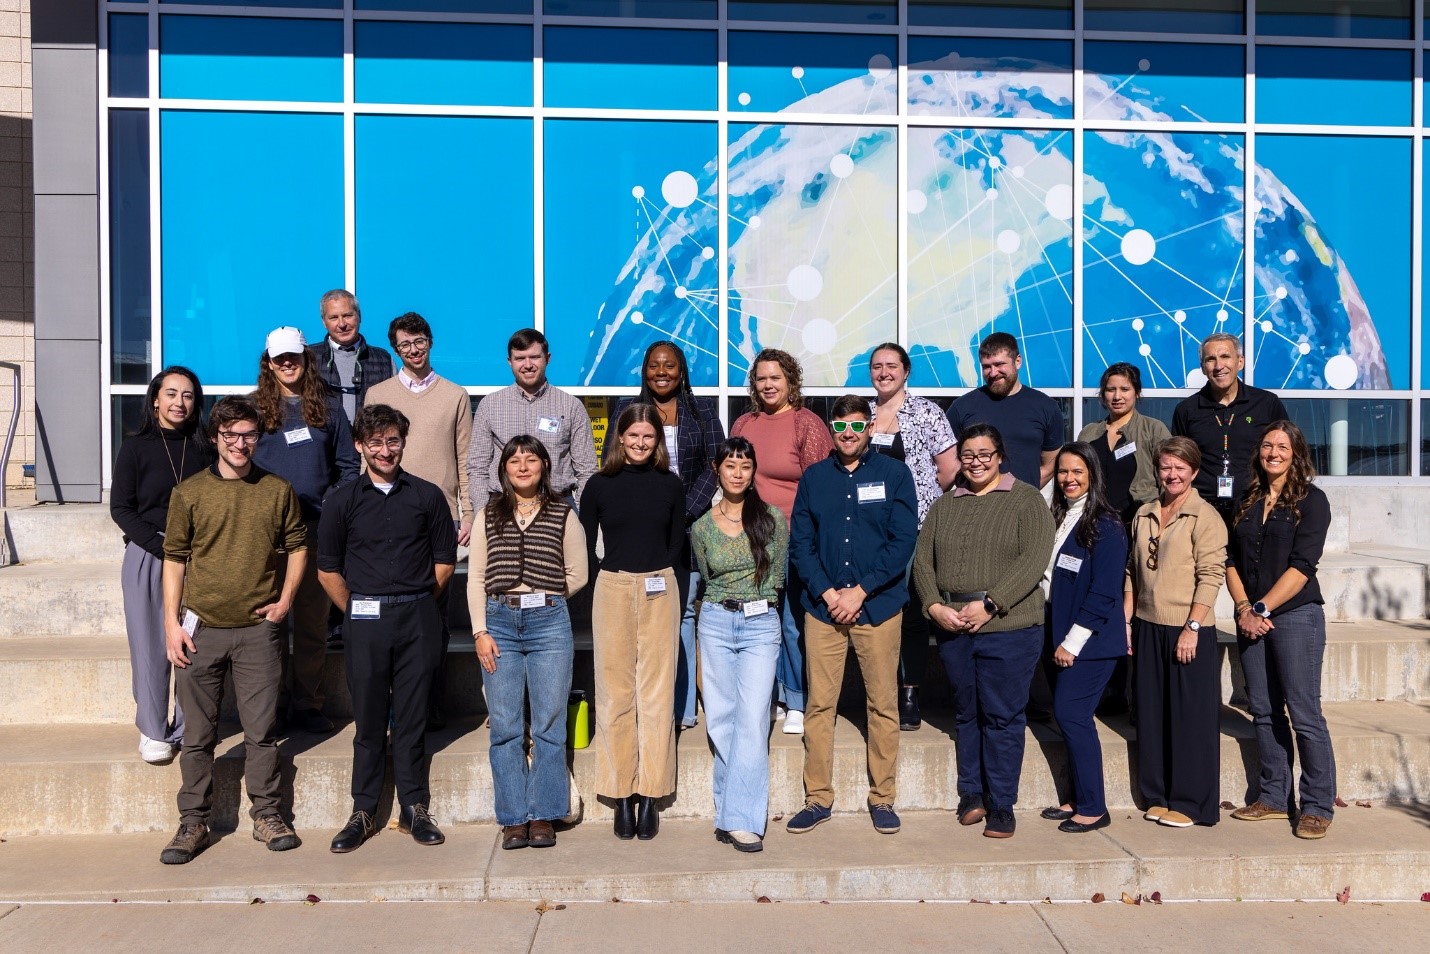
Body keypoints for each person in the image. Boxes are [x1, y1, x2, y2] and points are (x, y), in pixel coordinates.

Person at [158, 396, 307, 865]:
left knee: (261, 732)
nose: (240, 444)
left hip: (258, 631)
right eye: (231, 435)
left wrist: (285, 600)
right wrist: (170, 624)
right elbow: (175, 559)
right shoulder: (189, 492)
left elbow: (298, 547)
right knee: (199, 735)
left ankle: (267, 814)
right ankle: (192, 823)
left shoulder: (277, 490)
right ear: (215, 437)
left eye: (248, 435)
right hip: (200, 629)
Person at [317, 404, 458, 853]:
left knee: (414, 718)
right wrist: (360, 608)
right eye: (375, 442)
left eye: (392, 441)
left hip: (417, 614)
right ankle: (363, 810)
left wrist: (413, 603)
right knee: (370, 721)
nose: (384, 450)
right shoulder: (341, 501)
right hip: (365, 619)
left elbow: (444, 562)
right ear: (359, 446)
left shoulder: (427, 496)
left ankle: (414, 807)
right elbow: (328, 571)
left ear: (403, 442)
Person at [912, 423, 1055, 839]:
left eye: (984, 455)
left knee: (1003, 717)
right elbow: (924, 562)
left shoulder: (1026, 500)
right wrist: (934, 605)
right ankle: (971, 794)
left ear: (1000, 456)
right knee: (967, 713)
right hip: (955, 626)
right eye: (968, 455)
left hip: (1008, 626)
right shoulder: (944, 505)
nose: (975, 463)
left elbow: (1034, 559)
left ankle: (1002, 805)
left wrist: (992, 604)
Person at [785, 395, 918, 837]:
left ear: (869, 429)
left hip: (877, 607)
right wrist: (828, 592)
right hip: (823, 610)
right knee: (819, 705)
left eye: (856, 428)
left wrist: (860, 591)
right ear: (831, 429)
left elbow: (901, 543)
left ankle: (883, 798)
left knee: (882, 704)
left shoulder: (895, 475)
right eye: (839, 428)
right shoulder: (814, 478)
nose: (847, 436)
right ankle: (818, 798)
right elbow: (800, 544)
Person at [470, 436, 588, 851]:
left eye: (531, 458)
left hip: (549, 625)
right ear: (504, 468)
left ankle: (544, 813)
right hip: (498, 622)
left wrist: (547, 600)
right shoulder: (489, 514)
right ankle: (513, 817)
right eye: (514, 459)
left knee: (549, 725)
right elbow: (476, 578)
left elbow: (578, 573)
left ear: (544, 465)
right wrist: (480, 631)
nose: (522, 466)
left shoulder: (562, 513)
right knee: (504, 727)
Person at [579, 403, 685, 841]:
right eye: (634, 436)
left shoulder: (671, 485)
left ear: (657, 440)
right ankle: (621, 792)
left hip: (660, 587)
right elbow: (585, 545)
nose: (641, 444)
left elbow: (678, 545)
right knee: (616, 693)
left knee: (657, 696)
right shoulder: (599, 485)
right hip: (613, 587)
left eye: (649, 437)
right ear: (619, 438)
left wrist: (668, 585)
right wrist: (598, 588)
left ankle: (651, 794)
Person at [1226, 421, 1336, 840]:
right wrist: (1243, 608)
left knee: (1304, 714)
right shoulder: (1247, 497)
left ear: (1297, 453)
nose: (1273, 452)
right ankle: (1273, 797)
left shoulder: (1312, 500)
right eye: (1268, 445)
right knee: (1264, 710)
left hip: (1295, 616)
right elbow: (1230, 559)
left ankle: (1317, 805)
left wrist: (1261, 607)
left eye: (1282, 446)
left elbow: (1303, 566)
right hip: (1250, 616)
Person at [366, 312, 475, 728]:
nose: (413, 350)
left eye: (419, 342)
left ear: (431, 342)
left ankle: (428, 706)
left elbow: (467, 460)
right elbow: (368, 456)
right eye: (405, 345)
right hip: (388, 522)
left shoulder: (455, 395)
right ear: (396, 350)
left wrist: (468, 513)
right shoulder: (378, 393)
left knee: (433, 618)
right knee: (391, 617)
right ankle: (394, 706)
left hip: (440, 521)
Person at [252, 326, 360, 735]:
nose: (287, 363)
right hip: (266, 535)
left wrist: (331, 503)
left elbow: (348, 468)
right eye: (279, 357)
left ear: (304, 357)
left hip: (314, 529)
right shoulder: (255, 410)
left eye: (293, 356)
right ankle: (272, 704)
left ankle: (307, 704)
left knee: (313, 624)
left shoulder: (330, 408)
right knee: (270, 623)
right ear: (268, 362)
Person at [614, 341, 725, 730]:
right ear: (645, 370)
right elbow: (617, 461)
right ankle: (646, 704)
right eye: (655, 366)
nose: (662, 372)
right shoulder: (627, 410)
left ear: (682, 371)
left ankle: (682, 709)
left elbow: (717, 466)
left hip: (691, 526)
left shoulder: (704, 410)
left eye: (670, 366)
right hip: (642, 527)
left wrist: (685, 511)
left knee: (684, 612)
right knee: (644, 615)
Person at [111, 366, 215, 764]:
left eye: (187, 395)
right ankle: (154, 731)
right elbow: (120, 507)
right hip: (149, 555)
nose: (179, 402)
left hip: (198, 558)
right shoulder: (136, 446)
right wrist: (159, 544)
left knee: (194, 644)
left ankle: (188, 729)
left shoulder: (205, 447)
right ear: (155, 399)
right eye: (171, 394)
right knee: (151, 645)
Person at [729, 348, 834, 735]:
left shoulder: (806, 424)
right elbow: (733, 475)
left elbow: (821, 487)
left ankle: (796, 701)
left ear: (791, 380)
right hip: (752, 538)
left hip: (794, 538)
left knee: (790, 622)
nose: (768, 384)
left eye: (776, 377)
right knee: (758, 619)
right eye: (761, 378)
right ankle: (767, 694)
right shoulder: (744, 423)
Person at [1125, 437, 1228, 828]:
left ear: (1194, 472)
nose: (1172, 474)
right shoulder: (1145, 513)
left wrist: (1193, 627)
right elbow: (1132, 571)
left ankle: (1190, 801)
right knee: (1152, 715)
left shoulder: (1205, 517)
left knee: (1190, 719)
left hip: (1187, 629)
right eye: (1166, 466)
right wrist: (1128, 621)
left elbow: (1211, 576)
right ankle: (1158, 793)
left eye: (1180, 468)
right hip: (1148, 625)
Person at [691, 437, 788, 853]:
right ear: (718, 469)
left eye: (745, 466)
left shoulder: (771, 519)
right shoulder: (701, 526)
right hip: (714, 621)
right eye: (730, 465)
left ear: (753, 472)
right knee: (721, 720)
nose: (737, 473)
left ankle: (741, 820)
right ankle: (731, 811)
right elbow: (706, 580)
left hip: (760, 622)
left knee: (751, 718)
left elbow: (777, 578)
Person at [1037, 443, 1128, 834]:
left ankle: (1094, 806)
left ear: (1092, 474)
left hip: (1087, 643)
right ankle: (1076, 797)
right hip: (1056, 634)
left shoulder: (1105, 524)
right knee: (1066, 717)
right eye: (1062, 472)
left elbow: (1105, 592)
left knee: (1074, 716)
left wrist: (1071, 643)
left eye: (1077, 472)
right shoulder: (1061, 515)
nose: (1069, 479)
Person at [867, 342, 958, 730]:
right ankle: (879, 691)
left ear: (906, 371)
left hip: (916, 527)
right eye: (876, 366)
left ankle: (909, 692)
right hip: (872, 531)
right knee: (880, 610)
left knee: (914, 614)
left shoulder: (926, 412)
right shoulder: (863, 414)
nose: (884, 372)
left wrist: (930, 507)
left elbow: (949, 469)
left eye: (891, 365)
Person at [469, 327, 598, 509]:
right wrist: (482, 513)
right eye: (520, 358)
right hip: (504, 507)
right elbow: (477, 467)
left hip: (556, 505)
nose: (528, 365)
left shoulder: (571, 407)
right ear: (510, 362)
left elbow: (587, 470)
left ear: (547, 358)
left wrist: (582, 516)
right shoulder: (489, 406)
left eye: (535, 357)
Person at [1171, 333, 1290, 526]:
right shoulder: (1187, 410)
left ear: (1240, 362)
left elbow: (1288, 453)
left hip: (1254, 505)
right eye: (1211, 359)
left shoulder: (1266, 404)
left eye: (1225, 357)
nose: (1219, 366)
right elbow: (1178, 462)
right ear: (1203, 368)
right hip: (1201, 510)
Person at [945, 332, 1063, 489]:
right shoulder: (962, 407)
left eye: (999, 364)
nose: (993, 373)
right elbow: (948, 464)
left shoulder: (1046, 407)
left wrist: (1021, 495)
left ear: (1018, 361)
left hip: (1023, 508)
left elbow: (1051, 463)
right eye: (986, 367)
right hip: (974, 506)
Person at [1077, 362, 1170, 525]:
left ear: (1137, 393)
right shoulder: (1088, 433)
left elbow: (1169, 479)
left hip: (1139, 523)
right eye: (1111, 390)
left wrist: (1164, 519)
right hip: (1095, 523)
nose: (1117, 396)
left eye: (1125, 389)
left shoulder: (1153, 430)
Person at [314, 288, 395, 424]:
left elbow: (395, 409)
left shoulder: (384, 360)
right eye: (334, 317)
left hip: (369, 443)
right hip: (324, 444)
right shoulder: (308, 358)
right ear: (324, 322)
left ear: (359, 316)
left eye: (347, 315)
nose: (342, 324)